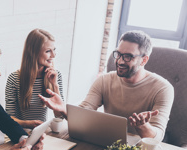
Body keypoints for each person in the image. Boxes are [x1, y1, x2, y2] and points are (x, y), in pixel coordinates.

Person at [39, 30, 174, 141]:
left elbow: (157, 138)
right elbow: (84, 112)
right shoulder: (104, 80)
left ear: (144, 60)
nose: (120, 61)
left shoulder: (162, 88)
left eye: (128, 57)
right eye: (118, 54)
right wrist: (63, 109)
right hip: (109, 145)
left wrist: (143, 126)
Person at [5, 29, 64, 129]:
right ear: (33, 53)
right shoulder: (14, 78)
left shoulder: (55, 75)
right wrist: (29, 124)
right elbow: (9, 118)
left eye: (54, 50)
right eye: (48, 51)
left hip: (42, 133)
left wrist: (55, 85)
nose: (53, 55)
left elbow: (60, 116)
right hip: (20, 134)